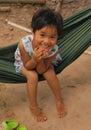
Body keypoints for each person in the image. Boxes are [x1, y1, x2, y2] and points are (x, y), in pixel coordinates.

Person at [14, 7, 67, 122]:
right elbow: (28, 66)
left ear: (58, 37)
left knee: (49, 73)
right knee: (32, 76)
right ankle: (33, 106)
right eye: (42, 35)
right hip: (25, 62)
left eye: (52, 37)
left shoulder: (53, 50)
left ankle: (59, 100)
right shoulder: (24, 44)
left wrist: (41, 59)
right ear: (33, 32)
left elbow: (42, 70)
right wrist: (34, 59)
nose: (47, 41)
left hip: (42, 64)